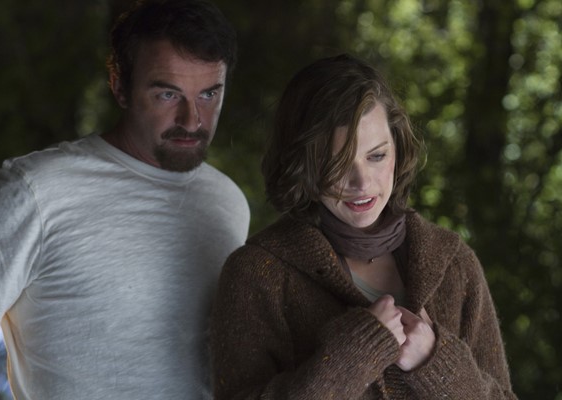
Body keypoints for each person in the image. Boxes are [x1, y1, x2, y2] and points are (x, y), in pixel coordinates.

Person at [0, 0, 250, 398]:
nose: (192, 120)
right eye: (168, 95)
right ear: (119, 86)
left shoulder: (228, 201)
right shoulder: (33, 192)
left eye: (208, 94)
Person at [210, 54, 517, 399]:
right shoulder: (257, 273)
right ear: (302, 164)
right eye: (337, 163)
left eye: (376, 156)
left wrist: (436, 363)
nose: (362, 182)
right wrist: (354, 355)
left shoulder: (454, 263)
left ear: (398, 148)